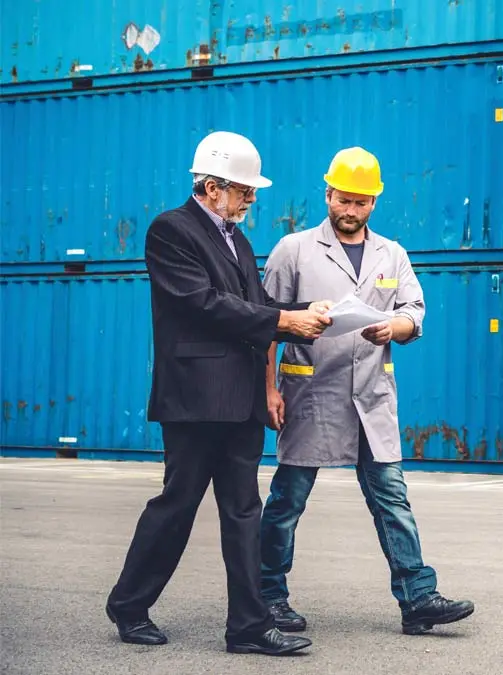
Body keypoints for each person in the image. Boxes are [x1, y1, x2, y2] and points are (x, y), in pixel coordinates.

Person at [105, 131, 334, 656]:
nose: (252, 200)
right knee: (178, 505)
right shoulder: (171, 231)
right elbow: (203, 304)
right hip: (196, 398)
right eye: (244, 191)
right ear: (211, 187)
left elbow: (250, 303)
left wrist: (306, 313)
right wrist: (284, 319)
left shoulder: (238, 239)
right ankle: (129, 605)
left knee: (242, 512)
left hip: (241, 401)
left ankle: (248, 627)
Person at [257, 146, 475, 636]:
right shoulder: (292, 251)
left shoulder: (391, 253)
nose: (350, 210)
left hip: (371, 398)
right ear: (328, 193)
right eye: (342, 199)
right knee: (288, 501)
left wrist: (394, 327)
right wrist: (268, 391)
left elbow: (414, 311)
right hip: (310, 395)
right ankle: (268, 597)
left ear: (374, 202)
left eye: (360, 202)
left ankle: (418, 596)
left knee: (392, 499)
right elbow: (264, 325)